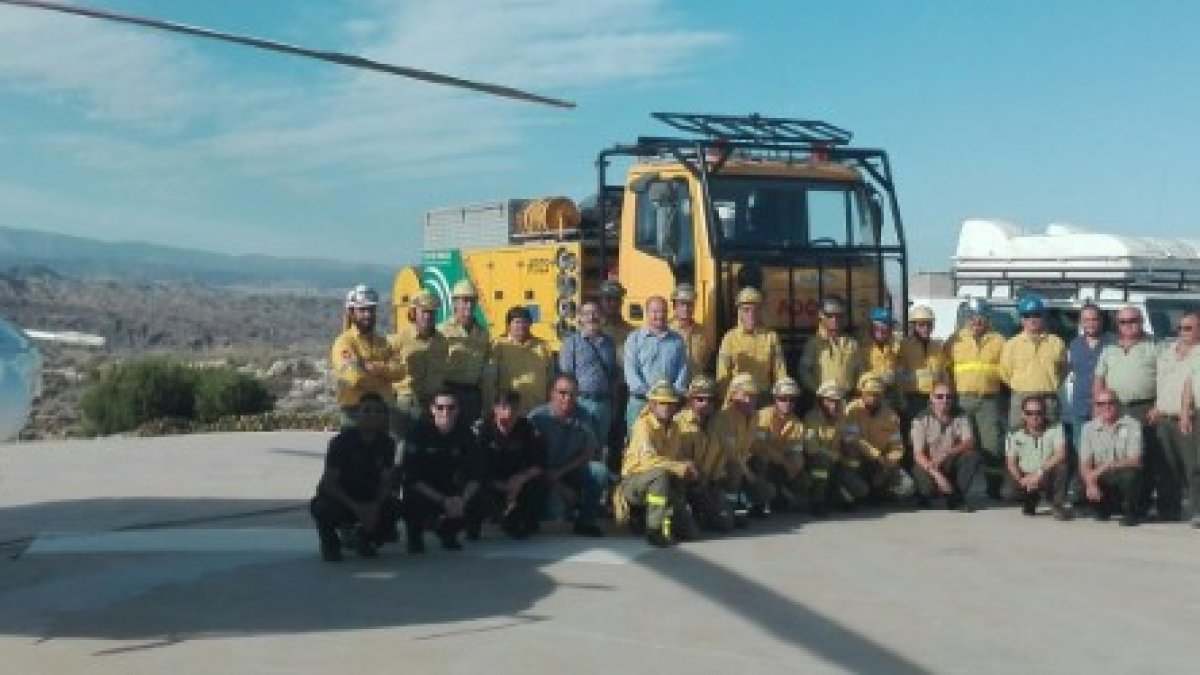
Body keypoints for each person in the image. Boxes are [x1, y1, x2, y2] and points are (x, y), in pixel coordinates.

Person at [310, 394, 401, 561]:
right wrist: (356, 507)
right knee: (322, 507)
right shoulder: (340, 442)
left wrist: (376, 505)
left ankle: (365, 539)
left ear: (384, 417)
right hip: (343, 499)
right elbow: (329, 483)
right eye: (366, 411)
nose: (372, 415)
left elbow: (386, 480)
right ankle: (330, 542)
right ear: (357, 415)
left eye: (378, 411)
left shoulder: (388, 444)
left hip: (369, 498)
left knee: (394, 508)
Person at [618, 379, 699, 547]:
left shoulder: (675, 428)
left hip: (662, 480)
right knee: (660, 475)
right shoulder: (643, 425)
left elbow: (674, 459)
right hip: (634, 482)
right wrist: (679, 467)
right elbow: (649, 461)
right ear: (652, 404)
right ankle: (653, 530)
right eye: (662, 403)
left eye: (671, 403)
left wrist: (686, 467)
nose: (667, 407)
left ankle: (656, 519)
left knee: (690, 533)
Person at [401, 391, 485, 553]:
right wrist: (442, 501)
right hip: (424, 489)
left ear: (458, 410)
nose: (445, 412)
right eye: (440, 407)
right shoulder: (418, 433)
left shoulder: (466, 434)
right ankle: (415, 536)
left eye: (451, 407)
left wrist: (463, 499)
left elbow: (477, 473)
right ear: (432, 409)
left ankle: (450, 533)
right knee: (411, 497)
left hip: (452, 489)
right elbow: (411, 476)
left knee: (481, 499)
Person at [1093, 304, 1158, 515]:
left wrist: (1158, 406)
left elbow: (1165, 378)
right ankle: (1117, 502)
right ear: (1117, 324)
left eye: (1133, 321)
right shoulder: (1109, 349)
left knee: (1143, 458)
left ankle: (1142, 504)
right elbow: (1099, 378)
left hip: (1144, 408)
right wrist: (1098, 406)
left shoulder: (1155, 346)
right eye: (1123, 322)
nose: (1129, 325)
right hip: (1114, 408)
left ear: (1141, 322)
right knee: (1111, 455)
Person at [527, 373, 608, 537]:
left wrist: (561, 474)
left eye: (572, 394)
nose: (567, 398)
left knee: (599, 471)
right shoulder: (537, 418)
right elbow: (527, 460)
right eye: (562, 393)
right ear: (552, 393)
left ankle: (586, 523)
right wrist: (558, 487)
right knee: (555, 514)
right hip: (540, 474)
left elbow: (589, 452)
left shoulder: (584, 415)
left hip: (568, 470)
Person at [946, 298, 1007, 499]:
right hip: (962, 400)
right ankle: (956, 487)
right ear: (967, 318)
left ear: (987, 318)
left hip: (988, 401)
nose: (976, 321)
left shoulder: (999, 340)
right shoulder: (955, 340)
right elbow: (944, 369)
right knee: (959, 444)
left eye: (980, 317)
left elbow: (1007, 371)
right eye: (972, 317)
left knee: (992, 446)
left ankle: (994, 488)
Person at [476, 390, 548, 539]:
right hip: (491, 482)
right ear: (495, 408)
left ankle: (521, 519)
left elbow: (540, 463)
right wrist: (503, 486)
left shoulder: (527, 427)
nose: (508, 413)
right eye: (504, 407)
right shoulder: (482, 429)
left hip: (517, 481)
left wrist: (520, 479)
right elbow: (476, 468)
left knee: (540, 482)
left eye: (514, 408)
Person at [1150, 310, 1200, 523]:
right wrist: (1155, 406)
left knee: (1193, 467)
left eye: (1188, 328)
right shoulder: (1167, 352)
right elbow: (1161, 383)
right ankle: (1168, 510)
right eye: (1180, 328)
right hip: (1163, 417)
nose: (1183, 332)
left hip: (1189, 417)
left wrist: (1186, 413)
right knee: (1167, 467)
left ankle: (1196, 510)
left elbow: (1190, 387)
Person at [331, 284, 399, 429]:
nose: (367, 315)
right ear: (351, 312)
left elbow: (400, 371)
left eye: (371, 309)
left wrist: (373, 367)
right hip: (354, 413)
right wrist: (384, 376)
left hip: (382, 412)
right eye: (362, 310)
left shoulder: (383, 342)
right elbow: (354, 377)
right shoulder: (344, 342)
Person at [1063, 303, 1113, 502]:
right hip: (1079, 406)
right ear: (1081, 322)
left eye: (1094, 319)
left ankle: (1105, 493)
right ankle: (1082, 494)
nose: (1090, 323)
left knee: (1103, 450)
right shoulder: (1074, 344)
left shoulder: (1112, 343)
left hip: (1105, 406)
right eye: (1086, 320)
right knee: (1080, 451)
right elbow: (1066, 373)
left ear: (1101, 320)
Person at [558, 300, 617, 456]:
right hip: (581, 402)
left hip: (604, 404)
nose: (591, 317)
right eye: (586, 314)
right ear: (580, 318)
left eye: (595, 313)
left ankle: (598, 477)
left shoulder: (609, 343)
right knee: (579, 445)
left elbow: (612, 373)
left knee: (600, 445)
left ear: (602, 316)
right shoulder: (571, 342)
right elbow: (566, 375)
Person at [675, 375, 734, 531]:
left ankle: (704, 513)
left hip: (706, 483)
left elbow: (721, 456)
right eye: (699, 399)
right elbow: (674, 458)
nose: (705, 404)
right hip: (684, 484)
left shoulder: (718, 424)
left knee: (726, 524)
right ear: (690, 400)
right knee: (690, 531)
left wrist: (716, 481)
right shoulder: (678, 423)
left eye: (710, 400)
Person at [842, 375, 915, 503]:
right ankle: (860, 491)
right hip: (858, 460)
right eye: (869, 394)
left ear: (883, 396)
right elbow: (853, 439)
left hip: (882, 462)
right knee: (859, 487)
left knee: (908, 488)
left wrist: (886, 465)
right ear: (861, 393)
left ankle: (879, 493)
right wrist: (876, 455)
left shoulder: (891, 416)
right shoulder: (851, 410)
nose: (873, 398)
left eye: (877, 394)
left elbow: (897, 447)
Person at [390, 289, 448, 447]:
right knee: (400, 447)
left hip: (431, 403)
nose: (428, 316)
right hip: (406, 402)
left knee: (427, 446)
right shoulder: (401, 338)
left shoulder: (442, 341)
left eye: (431, 312)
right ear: (414, 312)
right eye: (423, 312)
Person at [999, 294, 1067, 428]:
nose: (1032, 319)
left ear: (1043, 317)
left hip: (1048, 399)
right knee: (1018, 439)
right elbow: (1005, 373)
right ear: (1021, 319)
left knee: (1051, 438)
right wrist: (1023, 387)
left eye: (1036, 315)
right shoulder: (1011, 344)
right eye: (1027, 315)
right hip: (1021, 399)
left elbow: (1063, 370)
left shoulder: (1056, 342)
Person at [803, 381, 870, 515]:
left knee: (861, 488)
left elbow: (850, 439)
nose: (833, 405)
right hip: (815, 464)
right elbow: (812, 449)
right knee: (821, 461)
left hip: (835, 463)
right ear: (821, 401)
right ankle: (817, 502)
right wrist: (835, 456)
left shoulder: (842, 418)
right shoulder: (811, 418)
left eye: (837, 401)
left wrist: (854, 451)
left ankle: (840, 498)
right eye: (830, 401)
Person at [1078, 388, 1143, 526]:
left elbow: (1135, 460)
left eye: (1110, 402)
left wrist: (1105, 466)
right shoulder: (1088, 428)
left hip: (1120, 474)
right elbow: (1085, 463)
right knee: (1082, 478)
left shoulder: (1132, 424)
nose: (1106, 407)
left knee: (1130, 475)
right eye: (1101, 404)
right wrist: (1090, 483)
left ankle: (1130, 513)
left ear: (1118, 404)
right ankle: (1102, 509)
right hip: (1102, 479)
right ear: (1096, 407)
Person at [623, 296, 690, 429]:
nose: (659, 315)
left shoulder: (677, 340)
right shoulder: (634, 339)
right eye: (654, 311)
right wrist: (651, 395)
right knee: (638, 445)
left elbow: (682, 369)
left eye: (663, 311)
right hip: (641, 403)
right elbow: (631, 371)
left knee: (668, 445)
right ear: (646, 313)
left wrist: (672, 393)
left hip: (668, 405)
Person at [911, 381, 979, 511]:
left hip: (949, 461)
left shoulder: (961, 414)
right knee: (927, 489)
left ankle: (956, 498)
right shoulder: (920, 419)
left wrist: (947, 453)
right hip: (929, 464)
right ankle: (925, 495)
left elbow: (970, 441)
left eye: (949, 396)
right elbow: (918, 454)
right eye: (939, 396)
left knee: (972, 456)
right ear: (931, 397)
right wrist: (938, 476)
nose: (944, 400)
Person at [1003, 394, 1073, 520]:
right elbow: (1011, 463)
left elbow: (1061, 453)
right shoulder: (1013, 433)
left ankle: (1057, 504)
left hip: (1046, 473)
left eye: (1038, 412)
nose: (1034, 417)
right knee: (1008, 493)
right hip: (1024, 475)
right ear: (1023, 414)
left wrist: (1038, 474)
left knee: (1063, 466)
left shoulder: (1055, 427)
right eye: (1029, 413)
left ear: (1044, 413)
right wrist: (1023, 481)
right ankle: (1031, 498)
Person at [717, 373, 776, 518]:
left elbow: (754, 446)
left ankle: (756, 505)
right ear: (733, 395)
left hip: (743, 465)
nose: (750, 400)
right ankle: (732, 508)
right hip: (723, 470)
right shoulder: (724, 418)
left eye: (753, 396)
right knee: (735, 469)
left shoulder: (754, 417)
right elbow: (731, 455)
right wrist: (750, 476)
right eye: (745, 395)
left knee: (762, 462)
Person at [716, 286, 787, 404]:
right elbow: (723, 375)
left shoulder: (771, 336)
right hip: (739, 397)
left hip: (764, 397)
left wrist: (782, 397)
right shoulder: (729, 338)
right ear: (739, 312)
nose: (751, 315)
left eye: (756, 310)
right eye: (746, 310)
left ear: (761, 312)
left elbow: (780, 371)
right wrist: (726, 403)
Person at [753, 377, 809, 511]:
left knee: (805, 481)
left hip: (780, 466)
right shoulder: (762, 416)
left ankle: (779, 495)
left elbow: (797, 452)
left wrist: (795, 469)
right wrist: (784, 462)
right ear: (775, 399)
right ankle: (758, 503)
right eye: (783, 399)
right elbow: (760, 446)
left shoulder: (798, 425)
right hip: (759, 462)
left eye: (792, 400)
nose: (787, 403)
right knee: (762, 460)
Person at [440, 279, 490, 427]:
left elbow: (487, 368)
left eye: (472, 301)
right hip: (449, 391)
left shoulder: (483, 334)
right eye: (464, 301)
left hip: (473, 394)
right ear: (455, 303)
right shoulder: (442, 331)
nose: (469, 305)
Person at [490, 306, 555, 414]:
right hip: (509, 410)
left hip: (537, 409)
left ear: (530, 324)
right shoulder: (498, 345)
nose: (521, 326)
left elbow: (551, 378)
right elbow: (490, 381)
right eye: (517, 322)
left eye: (526, 322)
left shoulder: (543, 346)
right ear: (509, 325)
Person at [799, 297, 861, 395]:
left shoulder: (852, 343)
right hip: (823, 399)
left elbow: (860, 370)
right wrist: (817, 390)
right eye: (829, 315)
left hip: (847, 398)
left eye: (839, 316)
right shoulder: (813, 343)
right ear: (821, 315)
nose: (834, 319)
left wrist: (857, 390)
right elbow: (804, 372)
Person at [898, 305, 949, 426]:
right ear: (913, 326)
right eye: (921, 325)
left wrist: (945, 396)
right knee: (913, 435)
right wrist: (901, 399)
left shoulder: (937, 346)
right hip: (912, 399)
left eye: (929, 325)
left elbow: (943, 373)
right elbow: (898, 375)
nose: (926, 328)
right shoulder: (904, 346)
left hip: (934, 398)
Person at [860, 306, 904, 410]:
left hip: (892, 401)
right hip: (870, 401)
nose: (882, 329)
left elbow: (899, 377)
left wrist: (901, 403)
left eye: (886, 325)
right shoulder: (862, 349)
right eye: (878, 326)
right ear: (871, 327)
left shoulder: (895, 349)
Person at [670, 283, 714, 377]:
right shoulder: (666, 331)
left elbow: (706, 362)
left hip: (695, 387)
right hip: (672, 388)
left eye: (689, 304)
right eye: (682, 304)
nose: (686, 308)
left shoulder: (703, 333)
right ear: (674, 306)